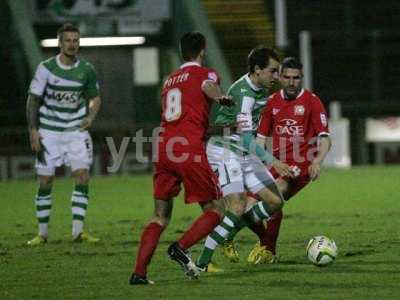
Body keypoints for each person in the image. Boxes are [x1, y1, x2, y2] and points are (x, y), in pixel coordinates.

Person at [129, 31, 233, 285]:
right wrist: (219, 97)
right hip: (188, 149)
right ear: (203, 50)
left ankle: (139, 274)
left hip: (164, 147)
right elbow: (208, 86)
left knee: (160, 216)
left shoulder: (169, 80)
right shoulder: (205, 73)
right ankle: (181, 247)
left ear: (181, 52)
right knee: (216, 209)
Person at [190, 46, 294, 275]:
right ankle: (201, 263)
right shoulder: (245, 94)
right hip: (226, 150)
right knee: (236, 205)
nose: (276, 77)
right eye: (273, 71)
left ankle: (229, 230)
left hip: (244, 151)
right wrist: (273, 161)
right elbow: (247, 139)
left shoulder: (260, 88)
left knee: (275, 202)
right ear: (258, 70)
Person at [224, 57, 332, 264]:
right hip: (274, 163)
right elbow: (260, 140)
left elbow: (325, 138)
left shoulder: (312, 101)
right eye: (287, 77)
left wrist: (317, 160)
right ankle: (266, 244)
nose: (291, 82)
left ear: (301, 78)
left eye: (296, 78)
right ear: (280, 77)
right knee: (247, 206)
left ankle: (265, 249)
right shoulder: (272, 101)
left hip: (299, 167)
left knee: (277, 191)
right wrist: (265, 161)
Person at [26, 23, 101, 245]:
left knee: (82, 176)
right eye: (67, 40)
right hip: (48, 132)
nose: (72, 44)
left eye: (75, 40)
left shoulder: (86, 69)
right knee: (46, 180)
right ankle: (42, 234)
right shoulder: (45, 68)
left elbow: (95, 98)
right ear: (60, 43)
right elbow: (33, 100)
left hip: (75, 132)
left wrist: (90, 117)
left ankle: (78, 232)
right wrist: (33, 130)